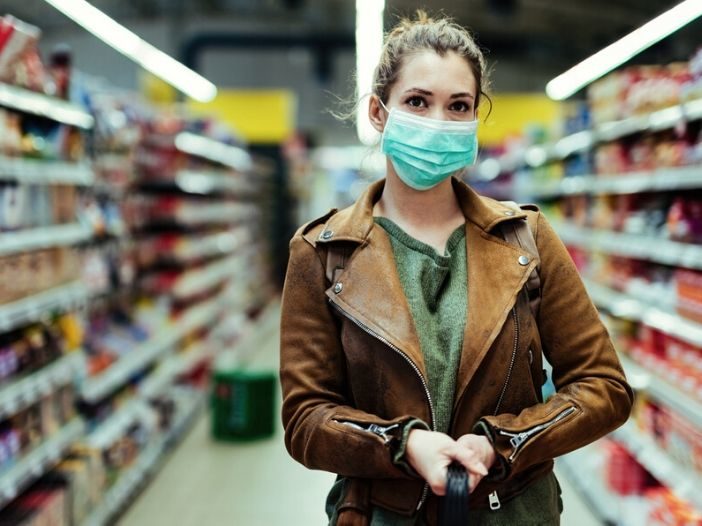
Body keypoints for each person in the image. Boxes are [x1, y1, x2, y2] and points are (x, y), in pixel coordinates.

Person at [279, 10, 633, 526]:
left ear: (474, 119)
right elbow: (306, 418)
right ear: (379, 113)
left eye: (458, 106)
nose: (438, 123)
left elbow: (604, 385)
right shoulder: (322, 252)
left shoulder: (526, 240)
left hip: (511, 511)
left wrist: (503, 443)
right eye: (418, 102)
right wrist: (402, 445)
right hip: (383, 513)